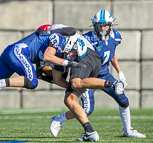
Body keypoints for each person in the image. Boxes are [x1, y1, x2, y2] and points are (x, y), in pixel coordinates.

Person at [0, 24, 87, 141]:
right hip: (17, 52)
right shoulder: (58, 38)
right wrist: (68, 63)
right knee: (32, 81)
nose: (72, 57)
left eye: (75, 57)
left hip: (10, 55)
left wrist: (75, 88)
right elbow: (47, 56)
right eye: (74, 53)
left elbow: (58, 80)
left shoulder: (59, 55)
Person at [49, 10, 146, 140]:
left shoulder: (116, 36)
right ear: (94, 25)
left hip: (104, 74)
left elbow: (111, 54)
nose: (102, 28)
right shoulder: (87, 38)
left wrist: (120, 72)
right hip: (88, 76)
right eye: (99, 25)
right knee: (88, 109)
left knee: (123, 99)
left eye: (105, 25)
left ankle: (127, 130)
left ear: (111, 25)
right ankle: (59, 119)